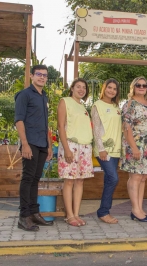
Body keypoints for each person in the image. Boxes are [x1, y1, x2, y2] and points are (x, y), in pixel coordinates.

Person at [14, 65, 53, 231]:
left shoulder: (44, 96)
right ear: (31, 76)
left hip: (42, 144)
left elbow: (46, 124)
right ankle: (24, 217)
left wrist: (49, 147)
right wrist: (25, 144)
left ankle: (34, 213)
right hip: (30, 143)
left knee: (35, 180)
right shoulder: (24, 95)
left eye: (44, 75)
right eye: (39, 74)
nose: (42, 78)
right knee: (28, 179)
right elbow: (19, 121)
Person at [57, 78, 94, 226]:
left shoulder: (83, 107)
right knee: (69, 180)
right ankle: (69, 215)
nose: (81, 89)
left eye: (84, 87)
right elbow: (60, 126)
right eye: (78, 86)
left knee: (80, 180)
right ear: (72, 88)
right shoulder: (65, 101)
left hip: (84, 147)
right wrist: (66, 149)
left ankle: (77, 214)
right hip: (70, 146)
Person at [121, 77, 147, 222]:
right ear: (133, 87)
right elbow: (126, 127)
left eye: (144, 85)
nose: (141, 87)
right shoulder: (130, 103)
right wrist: (134, 147)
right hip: (135, 145)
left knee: (143, 177)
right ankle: (135, 209)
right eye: (138, 85)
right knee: (135, 177)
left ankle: (139, 208)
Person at [92, 78, 122, 224]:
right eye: (109, 87)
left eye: (114, 89)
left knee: (109, 179)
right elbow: (96, 128)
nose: (112, 90)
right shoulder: (97, 105)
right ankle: (103, 211)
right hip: (104, 150)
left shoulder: (117, 107)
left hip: (116, 150)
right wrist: (101, 148)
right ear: (104, 88)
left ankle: (104, 211)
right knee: (113, 178)